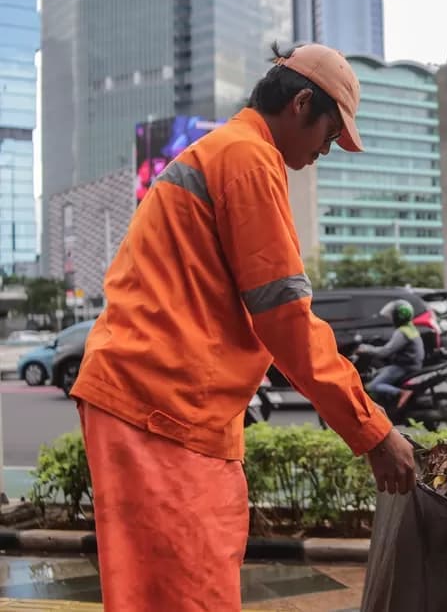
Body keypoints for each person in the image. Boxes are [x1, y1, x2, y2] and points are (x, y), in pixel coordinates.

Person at [71, 43, 416, 612]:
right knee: (189, 596)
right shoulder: (249, 160)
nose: (325, 152)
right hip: (163, 406)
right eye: (329, 136)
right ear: (302, 104)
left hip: (157, 403)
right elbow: (285, 319)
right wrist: (373, 430)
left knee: (159, 593)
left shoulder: (225, 152)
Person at [356, 299, 425, 409]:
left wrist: (366, 349)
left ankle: (401, 392)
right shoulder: (410, 328)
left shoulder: (402, 332)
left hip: (403, 367)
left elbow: (386, 352)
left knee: (372, 386)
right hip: (412, 364)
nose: (390, 318)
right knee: (376, 373)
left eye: (392, 315)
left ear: (398, 317)